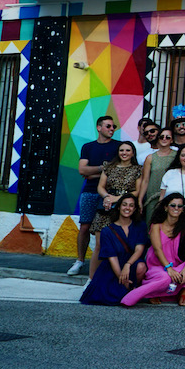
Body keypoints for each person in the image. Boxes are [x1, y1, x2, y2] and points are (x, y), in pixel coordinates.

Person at [122, 192, 185, 307]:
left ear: (183, 209)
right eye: (173, 205)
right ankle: (143, 295)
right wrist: (169, 269)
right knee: (165, 278)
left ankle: (183, 293)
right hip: (159, 267)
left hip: (178, 265)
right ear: (166, 207)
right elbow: (158, 250)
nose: (176, 208)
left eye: (180, 206)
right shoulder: (156, 225)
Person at [70, 115, 119, 276]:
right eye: (108, 126)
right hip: (90, 191)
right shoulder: (88, 147)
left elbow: (117, 172)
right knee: (84, 226)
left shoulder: (119, 147)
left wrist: (95, 172)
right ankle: (79, 261)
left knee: (107, 229)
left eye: (113, 127)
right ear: (99, 128)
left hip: (109, 193)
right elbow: (82, 170)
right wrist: (104, 168)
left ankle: (105, 264)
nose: (112, 129)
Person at [80, 194, 147, 305]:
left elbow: (139, 249)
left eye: (131, 206)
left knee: (141, 267)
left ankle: (133, 288)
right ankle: (126, 288)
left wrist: (128, 265)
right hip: (113, 266)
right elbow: (112, 257)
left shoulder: (140, 226)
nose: (127, 208)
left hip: (131, 262)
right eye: (124, 205)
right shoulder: (107, 230)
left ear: (135, 209)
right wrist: (121, 277)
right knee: (106, 296)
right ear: (119, 207)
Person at [90, 141, 143, 280]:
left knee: (120, 245)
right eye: (121, 150)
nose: (124, 153)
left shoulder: (138, 169)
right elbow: (100, 186)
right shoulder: (109, 167)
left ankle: (115, 277)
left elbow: (137, 191)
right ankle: (91, 279)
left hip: (126, 208)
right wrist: (107, 197)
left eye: (127, 150)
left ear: (133, 153)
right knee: (100, 245)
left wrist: (118, 199)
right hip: (106, 207)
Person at [140, 127, 175, 229]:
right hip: (152, 198)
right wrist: (140, 199)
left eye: (167, 137)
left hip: (171, 197)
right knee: (151, 226)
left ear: (172, 140)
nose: (164, 139)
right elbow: (145, 180)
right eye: (161, 137)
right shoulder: (150, 157)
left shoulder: (177, 156)